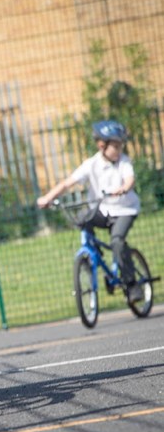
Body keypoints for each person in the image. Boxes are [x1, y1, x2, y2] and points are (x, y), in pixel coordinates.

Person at [37, 119, 143, 303]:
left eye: (120, 146)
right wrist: (48, 197)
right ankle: (93, 254)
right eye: (115, 147)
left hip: (124, 210)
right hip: (103, 210)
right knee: (82, 218)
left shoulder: (124, 162)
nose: (119, 150)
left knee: (117, 241)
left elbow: (130, 179)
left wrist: (124, 188)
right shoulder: (91, 164)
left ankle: (132, 285)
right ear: (102, 146)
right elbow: (67, 183)